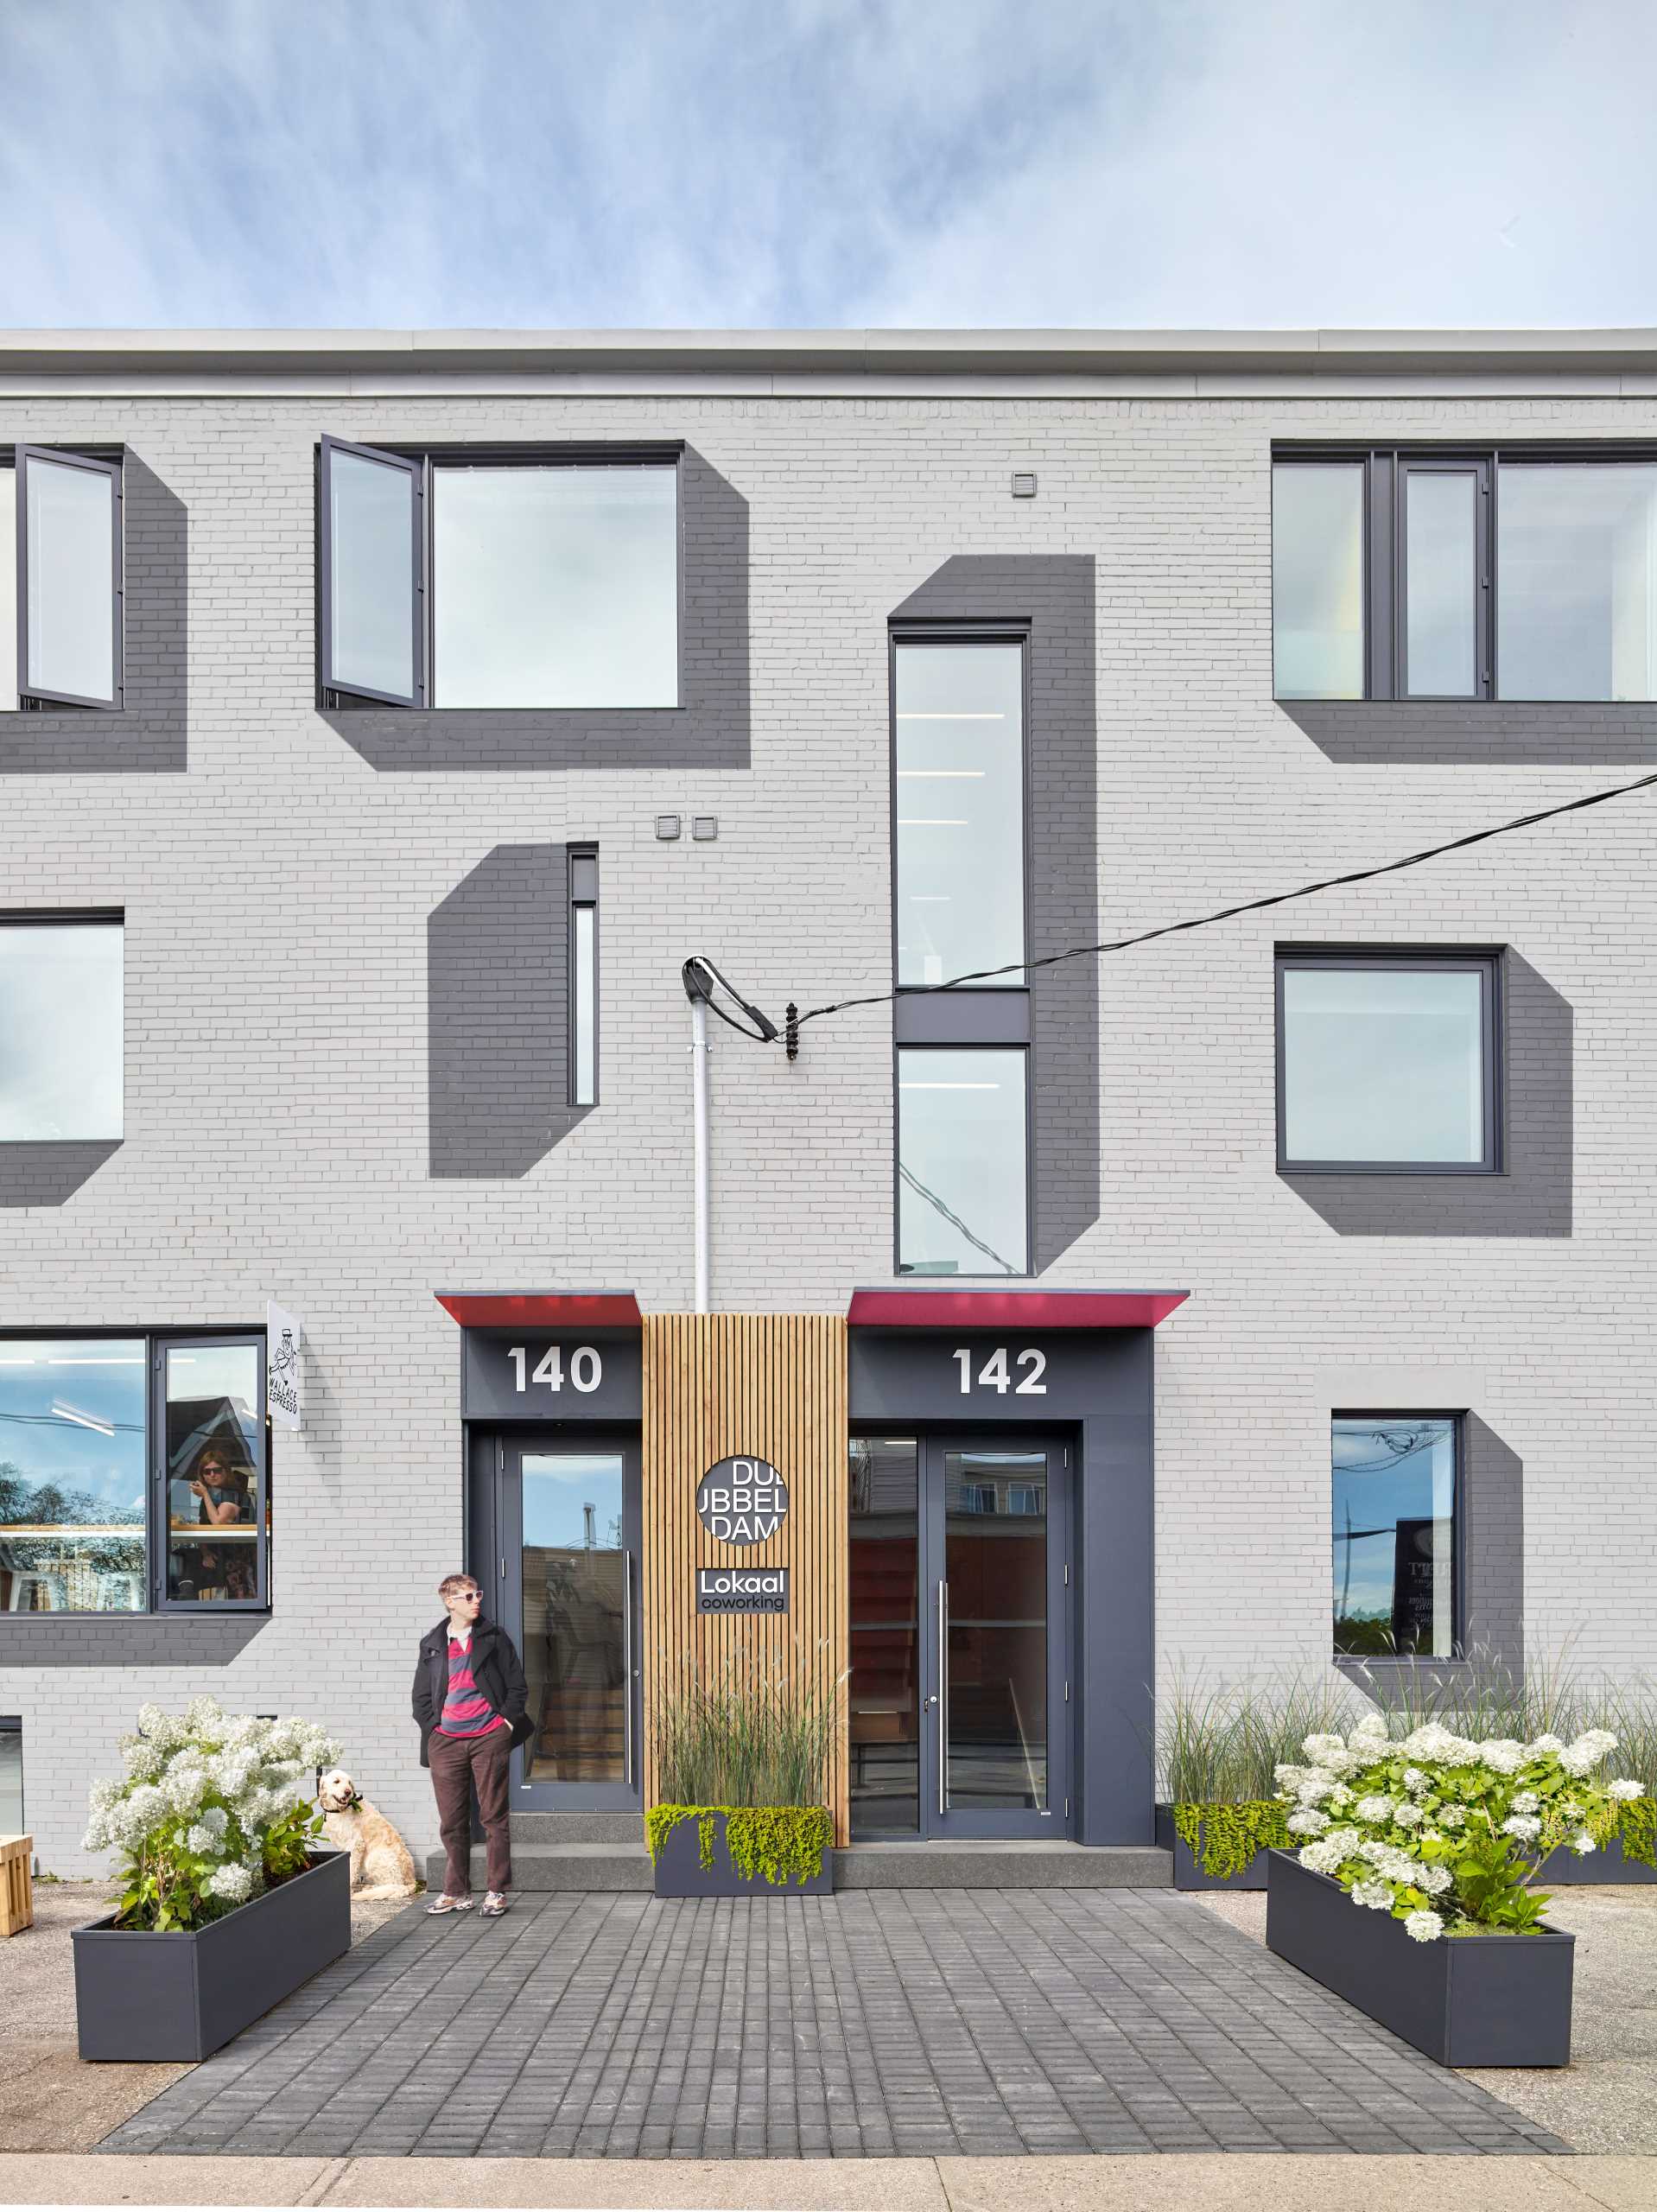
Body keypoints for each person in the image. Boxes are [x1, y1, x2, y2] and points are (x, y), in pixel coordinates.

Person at [412, 1573, 530, 1918]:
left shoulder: (494, 1637)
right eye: (468, 1597)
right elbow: (421, 1696)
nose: (476, 1600)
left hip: (487, 1738)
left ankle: (496, 1891)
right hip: (445, 1742)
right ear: (449, 1601)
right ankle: (456, 1891)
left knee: (494, 1818)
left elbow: (517, 1687)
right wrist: (433, 1729)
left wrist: (504, 1724)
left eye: (477, 1594)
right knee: (451, 1821)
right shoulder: (432, 1644)